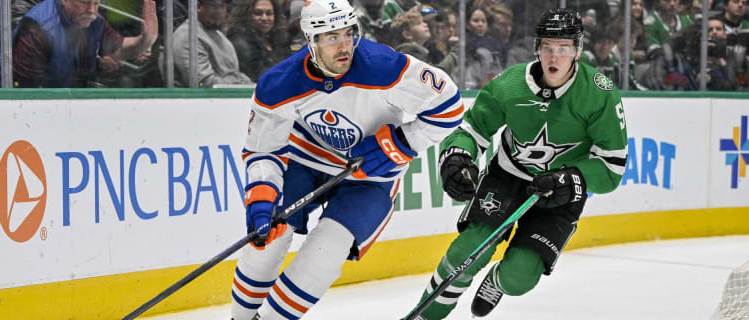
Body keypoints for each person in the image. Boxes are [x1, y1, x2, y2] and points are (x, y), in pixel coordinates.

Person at [229, 0, 464, 319]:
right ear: (310, 41)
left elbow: (449, 105)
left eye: (348, 33)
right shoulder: (279, 83)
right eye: (331, 37)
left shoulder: (384, 66)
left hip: (369, 176)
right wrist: (260, 198)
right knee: (266, 242)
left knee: (325, 252)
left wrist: (399, 144)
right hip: (305, 160)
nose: (343, 46)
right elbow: (263, 150)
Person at [407, 8, 628, 319]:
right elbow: (472, 129)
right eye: (548, 46)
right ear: (537, 47)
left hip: (560, 193)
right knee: (466, 251)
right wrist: (456, 155)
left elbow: (612, 168)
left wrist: (571, 179)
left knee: (520, 277)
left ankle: (498, 281)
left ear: (578, 50)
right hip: (508, 177)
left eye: (564, 48)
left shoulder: (598, 93)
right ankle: (424, 316)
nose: (554, 57)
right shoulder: (510, 84)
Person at [0, 0, 158, 88]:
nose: (91, 10)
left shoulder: (93, 20)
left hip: (60, 98)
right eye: (84, 2)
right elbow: (27, 96)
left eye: (96, 3)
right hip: (1, 95)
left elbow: (119, 49)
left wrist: (146, 39)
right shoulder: (38, 29)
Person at [163, 0, 253, 87]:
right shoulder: (188, 36)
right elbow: (203, 83)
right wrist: (240, 84)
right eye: (213, 6)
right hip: (199, 101)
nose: (219, 11)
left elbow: (236, 74)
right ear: (198, 7)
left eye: (222, 5)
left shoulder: (220, 36)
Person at [226, 0, 291, 82]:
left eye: (269, 13)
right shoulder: (240, 41)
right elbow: (259, 76)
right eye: (258, 13)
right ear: (246, 15)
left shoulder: (276, 38)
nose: (264, 18)